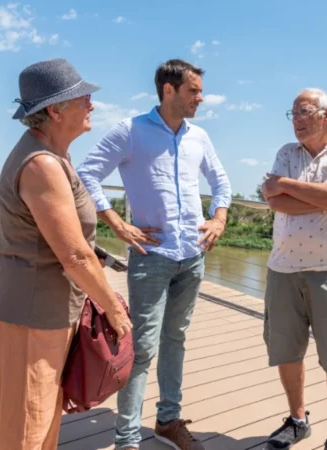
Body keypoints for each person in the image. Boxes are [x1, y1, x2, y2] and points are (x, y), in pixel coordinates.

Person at [76, 59, 231, 450]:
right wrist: (115, 222)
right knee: (142, 346)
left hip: (192, 254)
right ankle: (128, 437)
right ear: (169, 90)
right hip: (151, 256)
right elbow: (86, 173)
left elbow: (221, 181)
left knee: (176, 338)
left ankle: (167, 420)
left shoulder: (199, 136)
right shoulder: (131, 131)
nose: (200, 97)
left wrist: (219, 219)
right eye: (194, 90)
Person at [0, 58, 132, 450]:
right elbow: (75, 257)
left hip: (45, 309)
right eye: (83, 98)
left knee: (43, 416)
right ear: (55, 109)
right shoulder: (42, 165)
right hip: (30, 314)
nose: (92, 105)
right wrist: (113, 310)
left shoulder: (53, 155)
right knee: (27, 429)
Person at [259, 88, 327, 450]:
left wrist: (287, 186)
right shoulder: (286, 152)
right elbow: (275, 202)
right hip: (282, 268)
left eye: (303, 112)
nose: (297, 121)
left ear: (326, 115)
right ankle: (297, 419)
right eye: (293, 114)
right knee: (286, 351)